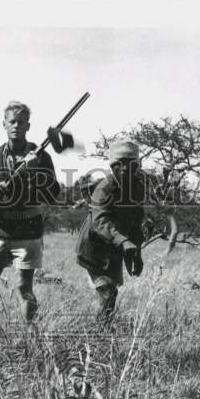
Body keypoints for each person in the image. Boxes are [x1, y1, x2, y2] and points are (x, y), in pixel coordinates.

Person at [0, 100, 60, 323]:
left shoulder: (41, 157)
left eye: (21, 122)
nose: (16, 126)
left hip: (28, 232)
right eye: (12, 121)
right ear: (4, 124)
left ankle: (29, 336)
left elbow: (53, 193)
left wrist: (35, 171)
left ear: (28, 127)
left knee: (24, 286)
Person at [74, 139, 146, 324]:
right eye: (118, 164)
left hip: (114, 249)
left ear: (136, 166)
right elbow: (100, 221)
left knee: (110, 295)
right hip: (94, 248)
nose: (123, 169)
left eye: (129, 164)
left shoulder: (137, 188)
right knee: (107, 293)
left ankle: (102, 331)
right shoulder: (104, 188)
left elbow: (136, 222)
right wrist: (123, 242)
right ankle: (98, 335)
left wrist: (136, 254)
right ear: (112, 166)